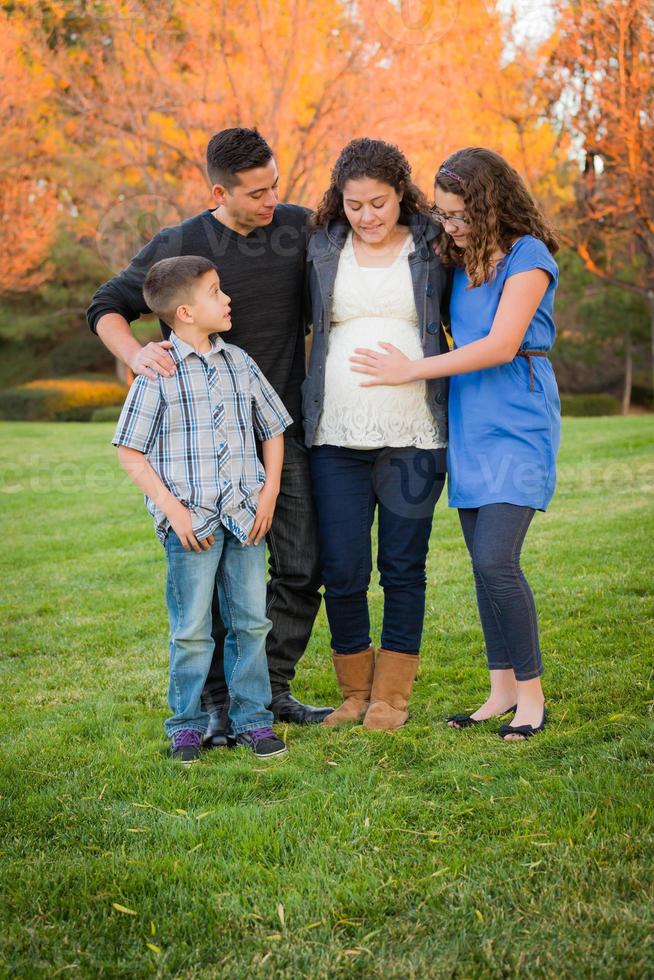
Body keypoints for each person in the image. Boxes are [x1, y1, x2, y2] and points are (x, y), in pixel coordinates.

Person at [87, 127, 332, 741]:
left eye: (275, 184)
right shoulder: (183, 243)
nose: (271, 199)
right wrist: (135, 354)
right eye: (256, 193)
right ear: (219, 190)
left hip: (282, 428)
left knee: (301, 565)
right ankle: (220, 702)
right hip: (201, 448)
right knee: (217, 574)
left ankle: (270, 689)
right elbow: (107, 304)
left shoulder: (298, 226)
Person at [351, 146, 560, 741]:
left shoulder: (529, 256)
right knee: (480, 565)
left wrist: (409, 369)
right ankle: (500, 692)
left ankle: (532, 698)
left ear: (491, 204)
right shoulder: (459, 256)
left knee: (498, 559)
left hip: (517, 416)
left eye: (461, 215)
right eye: (443, 216)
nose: (451, 226)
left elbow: (499, 345)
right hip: (467, 418)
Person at [113, 255, 293, 763]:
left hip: (245, 515)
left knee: (252, 622)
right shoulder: (156, 372)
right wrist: (173, 510)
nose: (228, 298)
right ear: (186, 312)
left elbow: (273, 428)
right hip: (190, 524)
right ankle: (187, 724)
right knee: (192, 628)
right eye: (217, 291)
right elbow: (130, 451)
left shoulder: (240, 362)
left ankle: (253, 720)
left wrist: (270, 491)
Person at [304, 138, 450, 732]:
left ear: (402, 195)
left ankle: (392, 698)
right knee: (341, 568)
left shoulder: (433, 245)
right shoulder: (319, 247)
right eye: (354, 204)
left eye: (379, 203)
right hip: (334, 435)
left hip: (413, 433)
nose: (366, 216)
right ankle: (354, 693)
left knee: (401, 567)